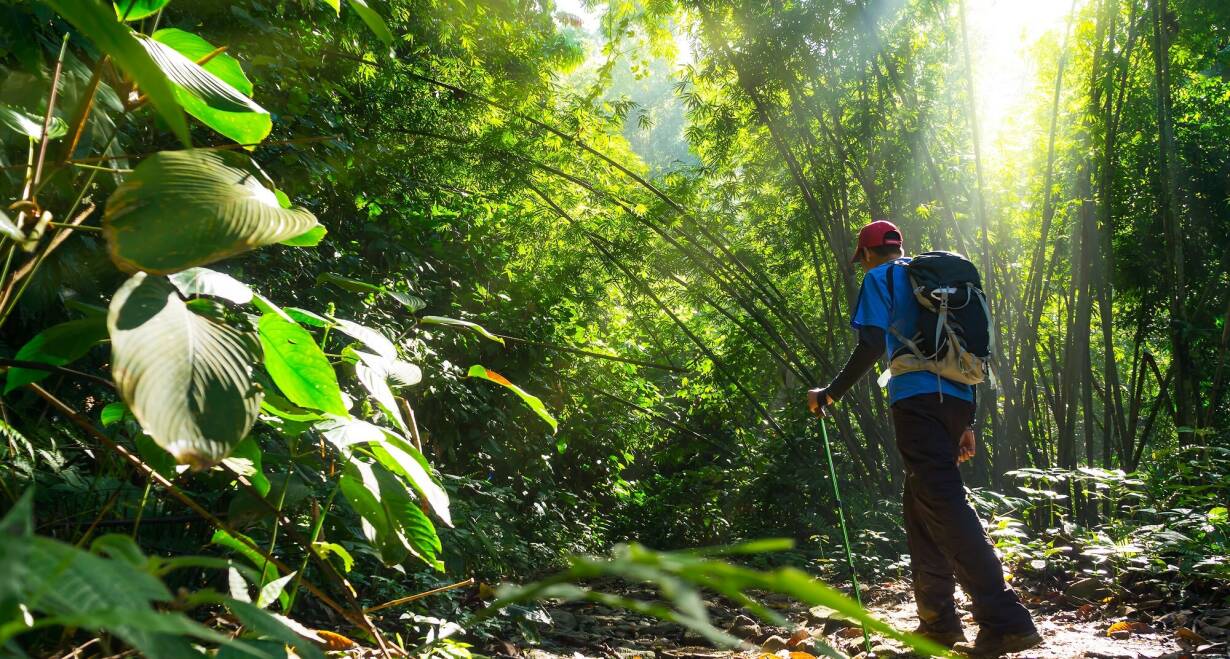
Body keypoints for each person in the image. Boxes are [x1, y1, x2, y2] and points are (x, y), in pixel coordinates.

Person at [807, 220, 1041, 658]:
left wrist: (831, 392)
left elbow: (872, 344)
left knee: (947, 505)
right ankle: (938, 623)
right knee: (920, 507)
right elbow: (967, 354)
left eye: (863, 259)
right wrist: (967, 423)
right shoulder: (933, 283)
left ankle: (1007, 621)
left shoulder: (882, 278)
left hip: (916, 402)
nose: (865, 266)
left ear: (868, 254)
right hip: (954, 403)